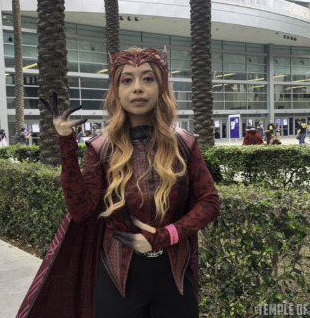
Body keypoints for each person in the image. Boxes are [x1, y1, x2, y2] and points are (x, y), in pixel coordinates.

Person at [18, 47, 220, 318]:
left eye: (147, 78)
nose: (137, 88)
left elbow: (209, 202)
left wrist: (165, 235)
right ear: (116, 90)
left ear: (161, 87)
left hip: (174, 275)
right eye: (127, 80)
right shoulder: (100, 149)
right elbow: (81, 211)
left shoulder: (184, 143)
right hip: (117, 276)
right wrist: (66, 144)